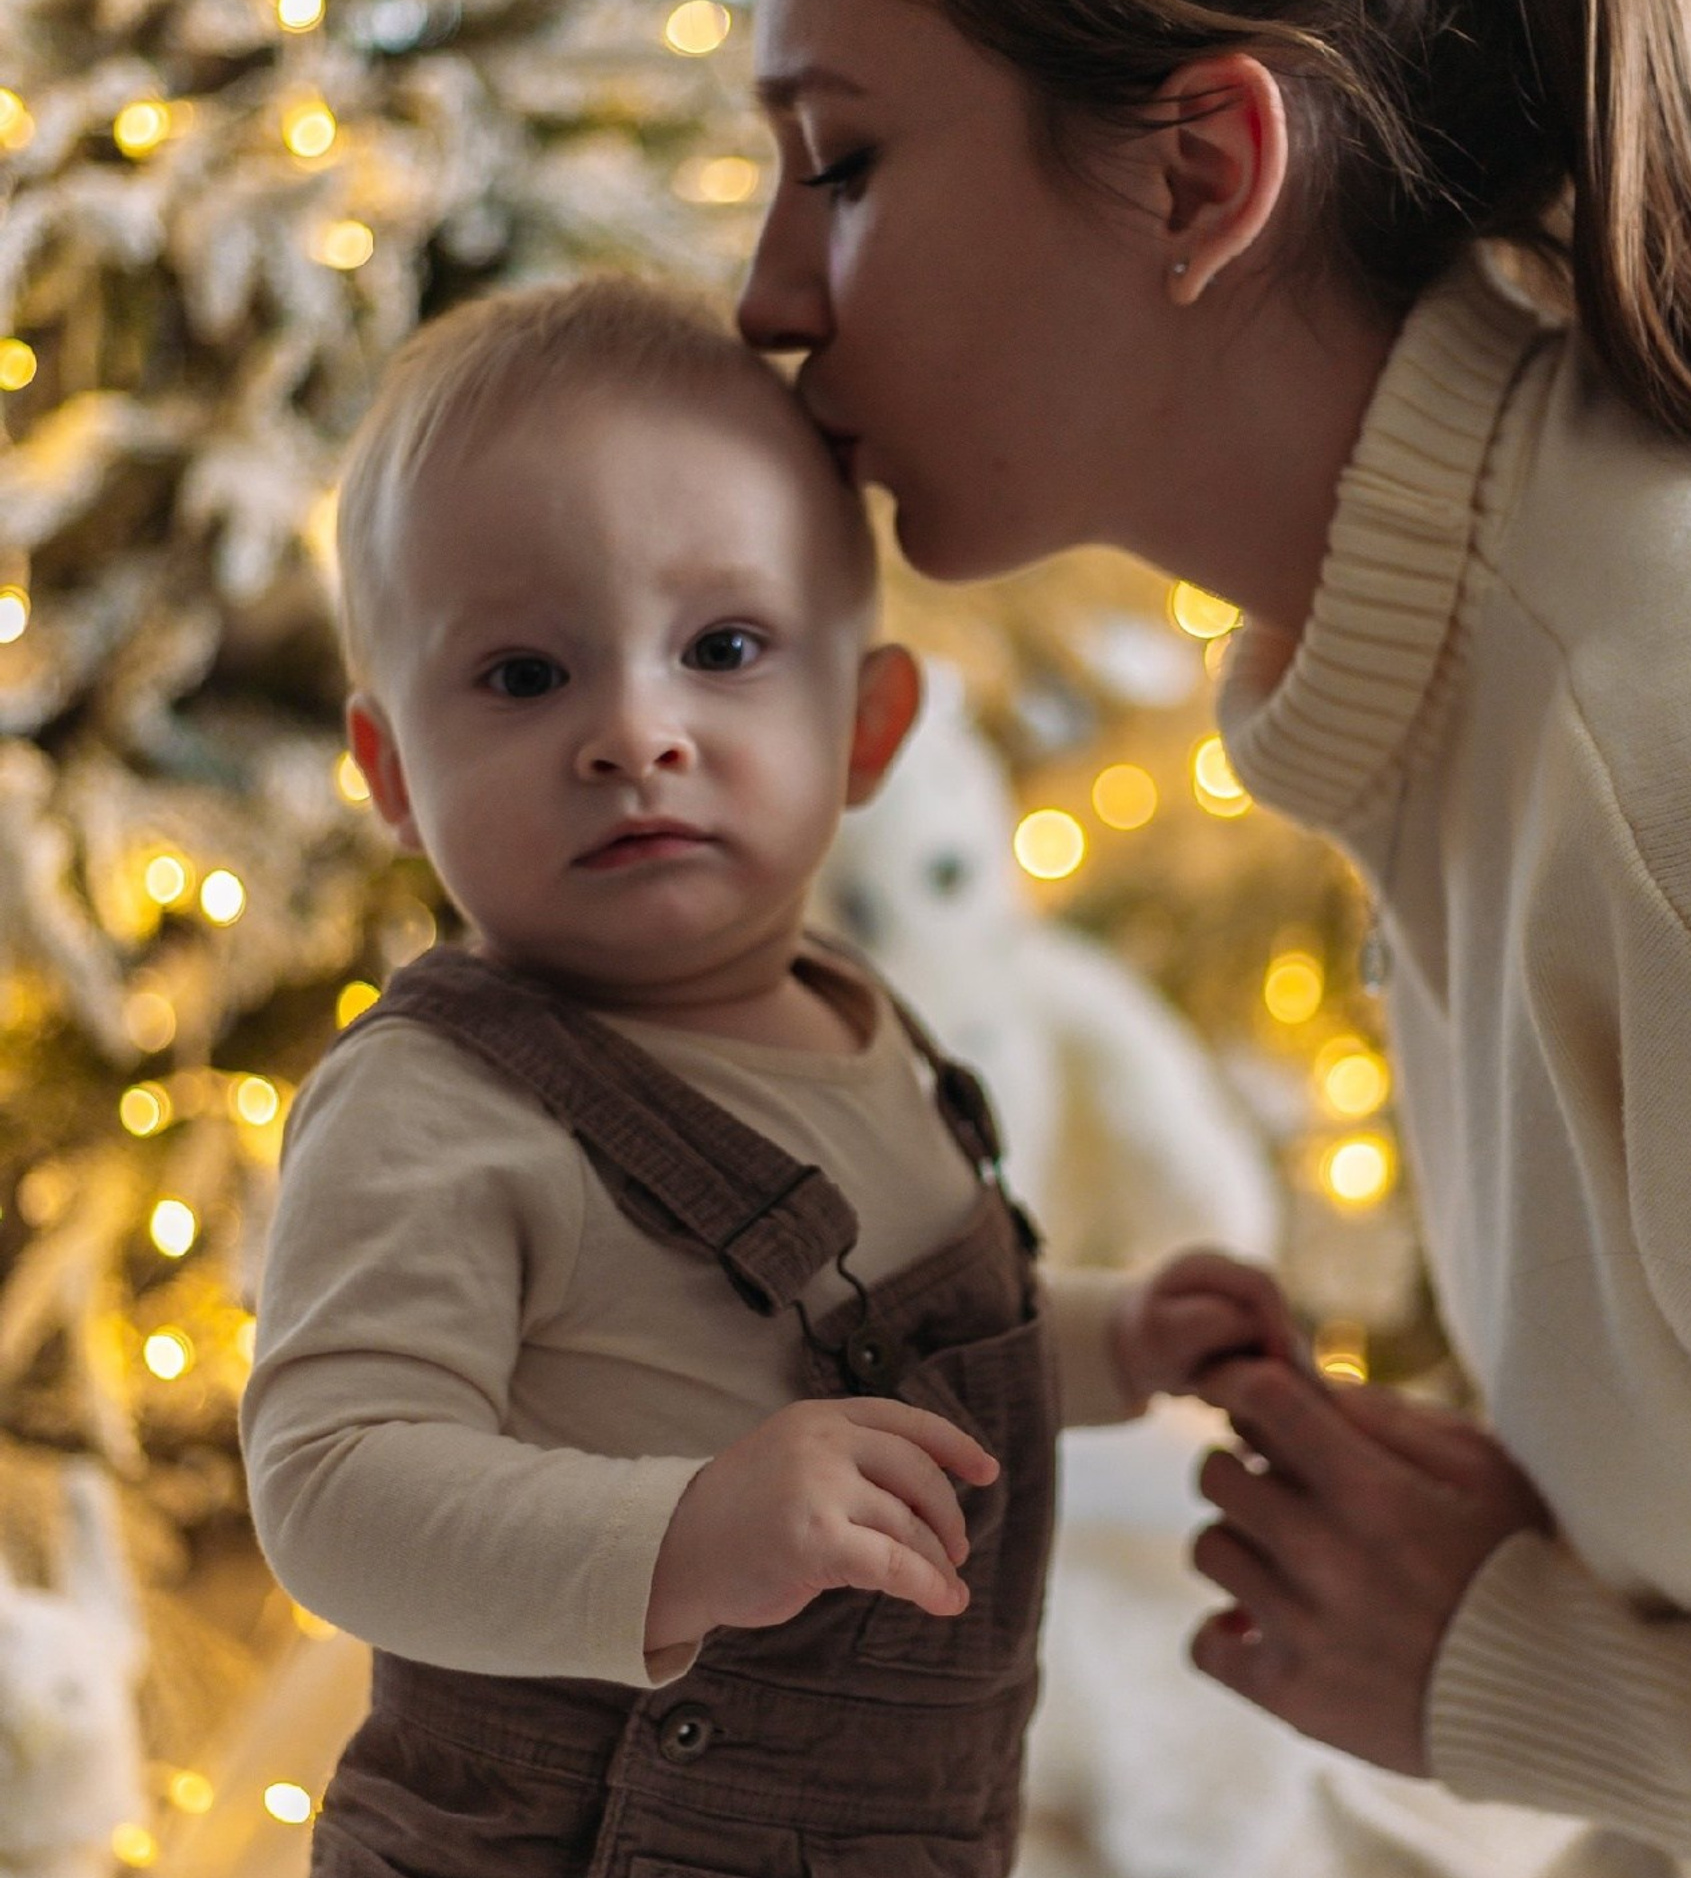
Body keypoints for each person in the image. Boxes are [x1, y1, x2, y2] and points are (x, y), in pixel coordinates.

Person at [734, 0, 1691, 1875]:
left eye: (841, 160)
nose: (766, 296)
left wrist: (1514, 1670)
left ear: (1201, 172)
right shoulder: (1517, 675)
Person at [240, 273, 1291, 1878]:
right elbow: (331, 1488)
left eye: (722, 647)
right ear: (391, 774)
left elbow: (898, 1367)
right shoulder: (437, 1108)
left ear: (867, 730)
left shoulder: (860, 1016)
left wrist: (1112, 1338)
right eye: (525, 677)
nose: (634, 731)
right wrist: (679, 1539)